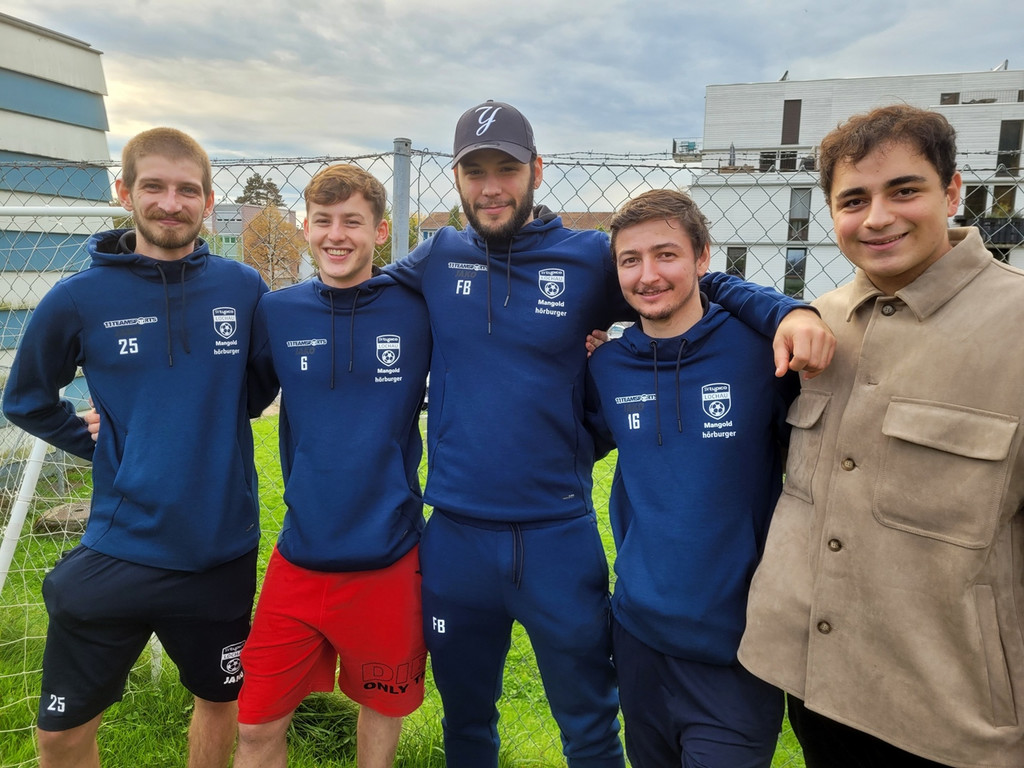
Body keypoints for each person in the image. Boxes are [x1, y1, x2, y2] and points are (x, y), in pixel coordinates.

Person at [386, 99, 834, 768]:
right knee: (466, 720)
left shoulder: (591, 258)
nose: (490, 187)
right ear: (456, 178)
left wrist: (786, 311)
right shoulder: (438, 256)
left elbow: (689, 283)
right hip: (455, 535)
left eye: (506, 169)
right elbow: (357, 294)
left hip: (556, 535)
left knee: (591, 729)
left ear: (536, 170)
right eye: (474, 171)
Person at [738, 104, 1024, 768]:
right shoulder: (820, 323)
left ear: (952, 192)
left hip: (950, 709)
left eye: (904, 190)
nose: (877, 218)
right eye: (854, 200)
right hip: (814, 680)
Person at [2, 128, 268, 768]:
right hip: (120, 548)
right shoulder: (78, 298)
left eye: (187, 190)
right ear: (125, 192)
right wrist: (104, 443)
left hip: (219, 550)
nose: (171, 203)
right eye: (154, 186)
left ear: (208, 201)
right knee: (59, 735)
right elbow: (26, 399)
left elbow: (254, 393)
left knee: (219, 702)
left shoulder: (243, 288)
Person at [585, 189, 799, 768]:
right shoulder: (607, 366)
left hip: (737, 647)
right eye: (630, 260)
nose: (648, 275)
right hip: (639, 636)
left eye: (666, 254)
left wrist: (791, 312)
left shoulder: (762, 353)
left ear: (703, 257)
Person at [234, 164, 430, 768]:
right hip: (301, 554)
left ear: (380, 231)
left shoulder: (418, 309)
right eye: (323, 221)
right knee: (255, 726)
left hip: (389, 555)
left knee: (381, 715)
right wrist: (123, 412)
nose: (336, 235)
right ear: (306, 227)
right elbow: (232, 401)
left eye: (352, 221)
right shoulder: (278, 311)